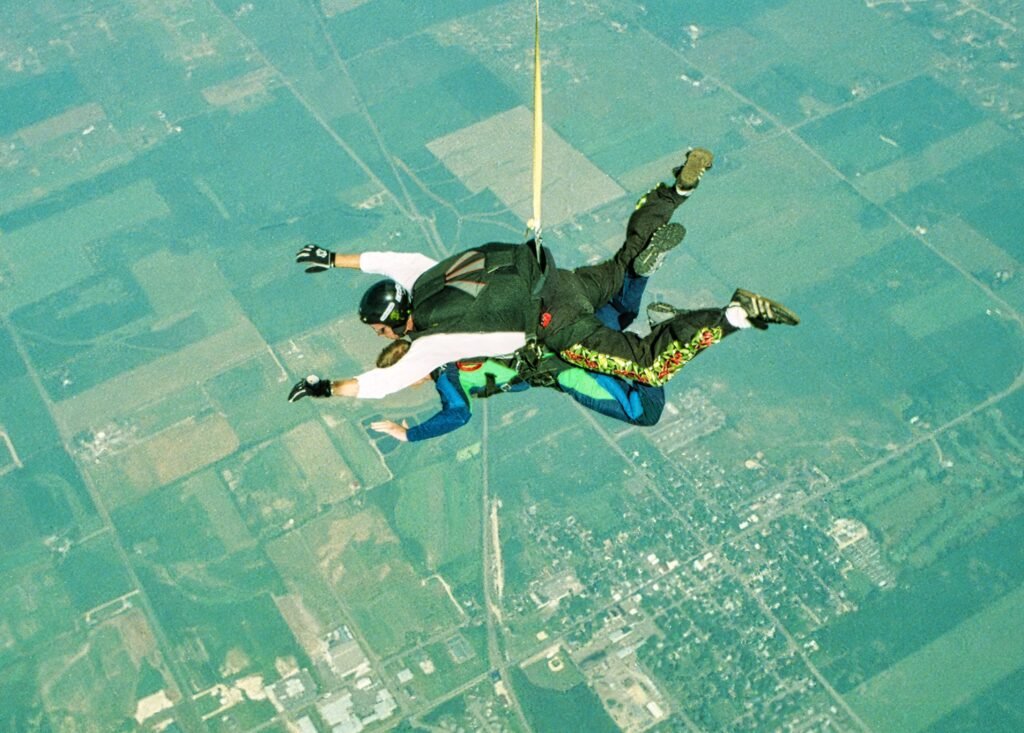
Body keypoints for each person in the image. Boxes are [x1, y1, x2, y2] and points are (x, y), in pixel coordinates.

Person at [287, 148, 799, 403]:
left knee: (645, 366)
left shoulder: (431, 341)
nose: (383, 336)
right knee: (624, 265)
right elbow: (388, 258)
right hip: (559, 278)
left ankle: (734, 315)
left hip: (557, 319)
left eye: (381, 329)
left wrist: (323, 388)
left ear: (396, 321)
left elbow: (382, 382)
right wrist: (333, 259)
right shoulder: (424, 277)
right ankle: (674, 193)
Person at [370, 270, 668, 442]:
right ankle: (638, 272)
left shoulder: (448, 375)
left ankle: (663, 331)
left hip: (565, 365)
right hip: (555, 327)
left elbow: (458, 413)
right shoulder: (446, 334)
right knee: (618, 315)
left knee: (642, 411)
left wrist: (411, 435)